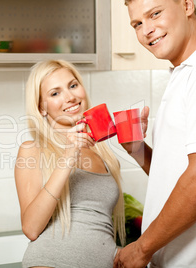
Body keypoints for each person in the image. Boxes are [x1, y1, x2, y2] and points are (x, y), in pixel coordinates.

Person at [114, 0, 196, 267]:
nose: (147, 30)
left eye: (155, 14)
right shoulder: (183, 73)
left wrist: (141, 249)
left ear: (188, 5)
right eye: (137, 24)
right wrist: (137, 149)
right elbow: (177, 175)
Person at [14, 59, 126, 268]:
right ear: (42, 107)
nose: (70, 97)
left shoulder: (103, 152)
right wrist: (68, 156)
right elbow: (31, 228)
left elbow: (97, 226)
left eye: (73, 85)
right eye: (55, 93)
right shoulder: (32, 150)